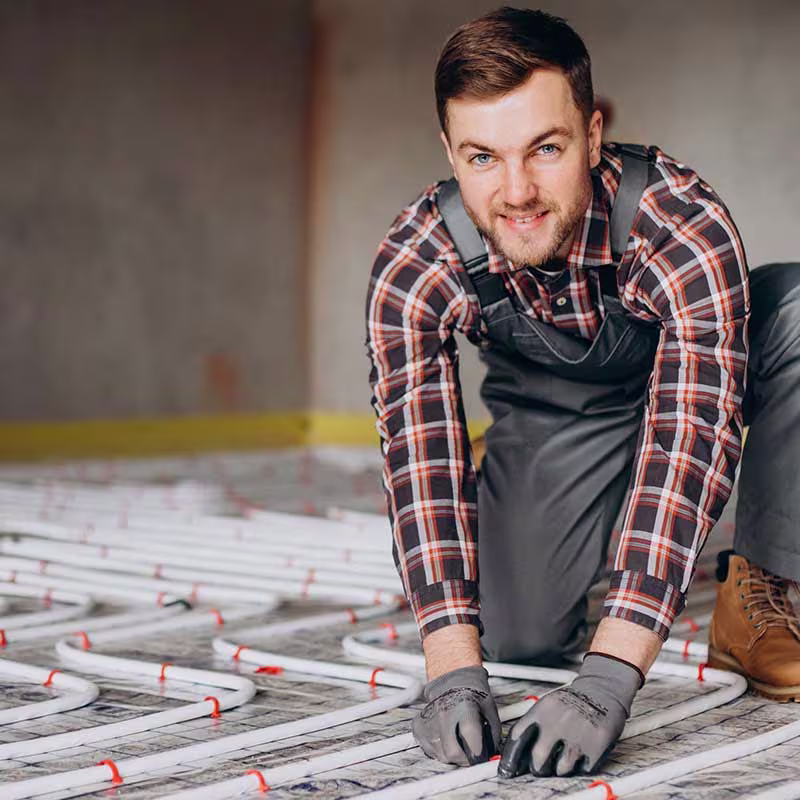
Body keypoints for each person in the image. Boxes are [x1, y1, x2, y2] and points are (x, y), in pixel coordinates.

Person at [365, 6, 800, 779]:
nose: (518, 190)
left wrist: (611, 676)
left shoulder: (679, 223)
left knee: (799, 310)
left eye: (546, 148)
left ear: (593, 136)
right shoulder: (416, 262)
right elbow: (420, 458)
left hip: (703, 379)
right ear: (449, 154)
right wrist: (450, 660)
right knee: (519, 638)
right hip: (562, 412)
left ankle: (761, 581)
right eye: (483, 158)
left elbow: (692, 431)